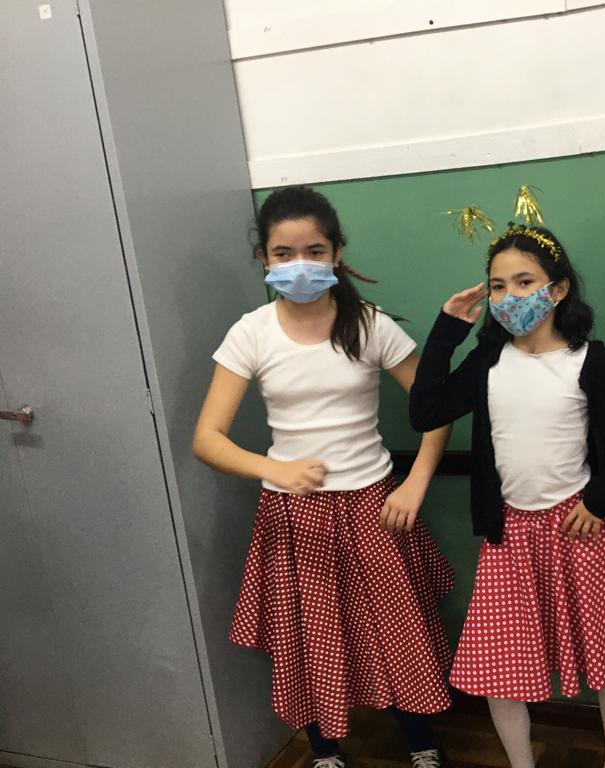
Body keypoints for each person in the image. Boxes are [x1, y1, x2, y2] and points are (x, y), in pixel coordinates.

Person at [193, 185, 453, 768]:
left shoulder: (370, 325)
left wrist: (416, 482)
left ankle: (423, 745)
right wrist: (274, 468)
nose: (300, 265)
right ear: (263, 257)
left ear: (337, 253)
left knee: (400, 633)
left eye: (314, 251)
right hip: (293, 515)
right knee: (308, 639)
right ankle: (324, 751)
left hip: (374, 507)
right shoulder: (251, 332)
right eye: (283, 254)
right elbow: (207, 438)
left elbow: (437, 410)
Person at [410, 224, 605, 768]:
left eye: (524, 282)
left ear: (557, 290)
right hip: (509, 535)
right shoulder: (488, 360)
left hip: (580, 529)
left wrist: (600, 498)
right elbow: (426, 412)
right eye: (498, 286)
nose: (510, 296)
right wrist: (446, 332)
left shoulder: (588, 361)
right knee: (498, 667)